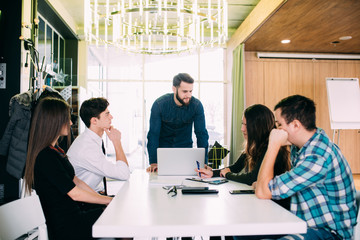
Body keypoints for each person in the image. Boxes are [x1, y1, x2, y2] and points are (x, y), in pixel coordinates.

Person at [255, 95, 357, 240]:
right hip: (305, 221)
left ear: (296, 125)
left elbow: (263, 192)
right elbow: (265, 188)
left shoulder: (317, 157)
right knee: (242, 234)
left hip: (329, 232)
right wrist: (264, 186)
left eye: (279, 125)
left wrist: (273, 144)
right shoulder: (303, 146)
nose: (275, 131)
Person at [23, 97, 112, 240]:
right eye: (67, 119)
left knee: (116, 211)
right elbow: (75, 193)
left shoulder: (56, 150)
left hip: (75, 213)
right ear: (54, 122)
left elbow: (78, 182)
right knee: (119, 216)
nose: (70, 123)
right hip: (68, 226)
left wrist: (106, 199)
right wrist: (108, 201)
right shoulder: (46, 157)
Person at [196, 104, 290, 209]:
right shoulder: (254, 145)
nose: (242, 129)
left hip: (276, 205)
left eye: (246, 125)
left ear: (257, 127)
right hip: (264, 201)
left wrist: (228, 175)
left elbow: (252, 178)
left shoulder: (271, 147)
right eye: (242, 124)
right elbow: (235, 167)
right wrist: (213, 172)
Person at [146, 73, 209, 172]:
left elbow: (201, 134)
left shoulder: (196, 106)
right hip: (163, 155)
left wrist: (204, 162)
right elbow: (153, 134)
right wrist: (153, 162)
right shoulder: (159, 104)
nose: (188, 95)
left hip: (185, 154)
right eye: (184, 91)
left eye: (190, 91)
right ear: (174, 89)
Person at [67, 97, 130, 192]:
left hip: (94, 195)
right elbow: (123, 174)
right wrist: (116, 142)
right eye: (107, 114)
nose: (111, 117)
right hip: (85, 203)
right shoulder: (87, 148)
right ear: (94, 121)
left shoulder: (92, 140)